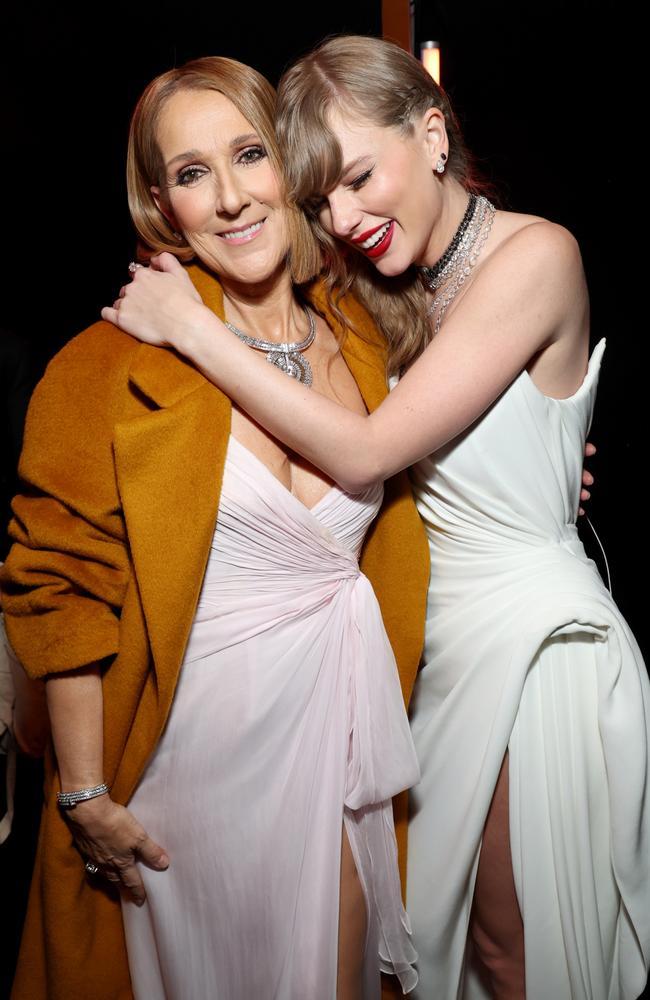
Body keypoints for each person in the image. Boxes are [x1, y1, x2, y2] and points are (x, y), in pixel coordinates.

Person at [106, 35, 650, 1000]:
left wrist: (188, 325)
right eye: (322, 198)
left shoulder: (538, 254)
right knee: (436, 959)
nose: (345, 217)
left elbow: (363, 451)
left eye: (359, 176)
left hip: (527, 649)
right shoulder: (380, 294)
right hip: (418, 663)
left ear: (433, 132)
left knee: (512, 951)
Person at [0, 56, 432, 1000]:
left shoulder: (366, 337)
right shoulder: (104, 363)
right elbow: (59, 586)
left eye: (249, 156)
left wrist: (549, 477)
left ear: (290, 165)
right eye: (193, 174)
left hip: (343, 759)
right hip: (182, 777)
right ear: (162, 202)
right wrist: (83, 794)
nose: (232, 199)